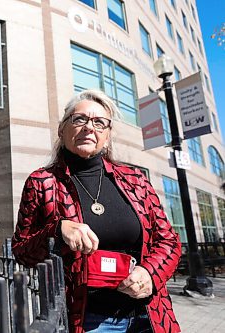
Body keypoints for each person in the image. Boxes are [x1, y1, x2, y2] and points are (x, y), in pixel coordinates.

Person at [12, 90, 181, 333]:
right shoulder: (42, 182)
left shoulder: (136, 180)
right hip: (88, 319)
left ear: (107, 136)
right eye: (79, 119)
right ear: (62, 129)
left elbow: (169, 241)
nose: (89, 128)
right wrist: (57, 231)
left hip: (149, 314)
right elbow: (21, 251)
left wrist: (150, 274)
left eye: (99, 122)